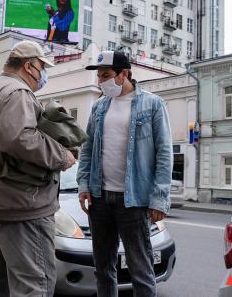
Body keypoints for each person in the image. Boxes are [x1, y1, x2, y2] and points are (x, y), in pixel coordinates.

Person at [0, 40, 77, 296]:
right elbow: (19, 138)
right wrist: (62, 155)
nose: (44, 74)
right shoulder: (17, 92)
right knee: (35, 285)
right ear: (30, 66)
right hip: (23, 207)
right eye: (43, 67)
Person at [76, 50, 173, 297]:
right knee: (103, 268)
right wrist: (84, 185)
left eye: (106, 75)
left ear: (124, 74)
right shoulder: (99, 107)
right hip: (99, 198)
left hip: (134, 200)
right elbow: (87, 148)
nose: (101, 81)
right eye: (99, 76)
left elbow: (164, 153)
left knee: (140, 269)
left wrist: (159, 198)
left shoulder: (152, 104)